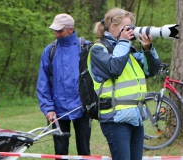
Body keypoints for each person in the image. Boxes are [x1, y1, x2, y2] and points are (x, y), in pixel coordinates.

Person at [88, 8, 161, 160]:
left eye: (131, 27)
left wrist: (148, 48)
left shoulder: (129, 50)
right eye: (126, 28)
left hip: (135, 116)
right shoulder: (98, 49)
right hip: (115, 118)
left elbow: (152, 70)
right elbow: (114, 69)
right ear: (112, 26)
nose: (131, 31)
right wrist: (123, 41)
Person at [36, 13, 91, 158]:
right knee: (60, 153)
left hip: (82, 107)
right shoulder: (49, 50)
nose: (56, 33)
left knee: (84, 151)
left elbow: (96, 78)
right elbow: (43, 82)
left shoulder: (86, 47)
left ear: (71, 29)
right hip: (58, 109)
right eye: (55, 30)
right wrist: (48, 108)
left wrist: (91, 102)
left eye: (60, 30)